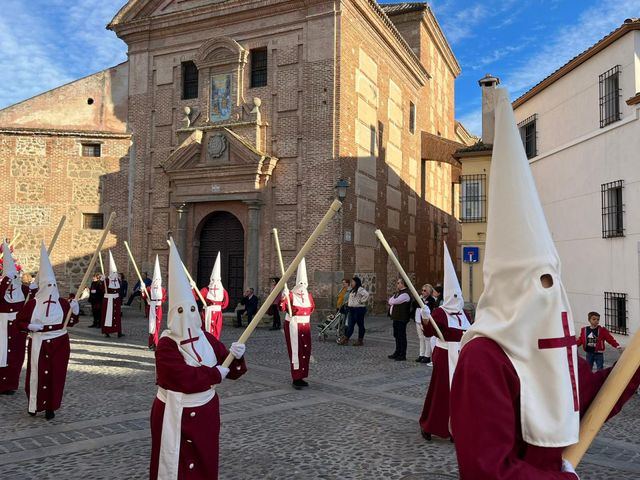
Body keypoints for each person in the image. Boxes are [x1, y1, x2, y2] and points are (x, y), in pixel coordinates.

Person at [450, 88, 640, 479]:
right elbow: (487, 470)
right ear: (511, 287)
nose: (551, 293)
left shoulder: (550, 344)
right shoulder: (482, 359)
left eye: (553, 280)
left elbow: (592, 398)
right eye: (541, 282)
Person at [149, 239, 247, 480]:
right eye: (182, 311)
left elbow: (229, 366)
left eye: (191, 310)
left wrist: (236, 357)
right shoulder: (166, 344)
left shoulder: (206, 338)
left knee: (204, 459)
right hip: (175, 410)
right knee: (176, 464)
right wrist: (215, 374)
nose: (188, 316)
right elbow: (180, 377)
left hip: (205, 412)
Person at [17, 242, 79, 420]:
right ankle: (34, 404)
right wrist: (29, 326)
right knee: (36, 372)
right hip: (39, 341)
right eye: (48, 285)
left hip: (60, 342)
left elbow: (70, 322)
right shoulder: (32, 304)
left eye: (54, 285)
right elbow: (19, 322)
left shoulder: (62, 303)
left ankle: (51, 406)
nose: (51, 289)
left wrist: (73, 311)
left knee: (56, 374)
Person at [419, 244, 470, 441]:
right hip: (444, 355)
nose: (457, 300)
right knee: (440, 392)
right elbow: (430, 331)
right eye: (454, 296)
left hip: (461, 356)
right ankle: (430, 425)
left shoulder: (464, 314)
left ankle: (455, 428)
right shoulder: (440, 313)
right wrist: (426, 318)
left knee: (460, 394)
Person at [0, 241, 31, 395]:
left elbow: (37, 299)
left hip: (17, 328)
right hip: (2, 326)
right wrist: (6, 281)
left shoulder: (24, 290)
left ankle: (11, 384)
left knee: (16, 356)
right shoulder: (1, 290)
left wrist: (36, 287)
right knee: (2, 355)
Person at [281, 258, 314, 389]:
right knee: (296, 351)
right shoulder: (291, 295)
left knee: (306, 350)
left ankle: (302, 375)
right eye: (300, 282)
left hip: (305, 326)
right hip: (294, 325)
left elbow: (311, 308)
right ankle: (296, 377)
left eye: (304, 282)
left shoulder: (309, 295)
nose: (302, 284)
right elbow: (283, 307)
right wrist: (284, 297)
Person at [199, 252, 228, 339]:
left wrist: (219, 307)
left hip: (217, 314)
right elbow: (197, 296)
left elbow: (225, 302)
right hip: (207, 312)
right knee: (206, 330)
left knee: (216, 330)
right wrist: (192, 288)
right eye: (213, 280)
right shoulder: (205, 290)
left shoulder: (223, 291)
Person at [142, 256, 167, 350]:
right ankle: (152, 343)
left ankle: (155, 343)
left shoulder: (163, 290)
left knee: (157, 325)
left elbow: (164, 299)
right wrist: (142, 289)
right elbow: (144, 296)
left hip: (158, 308)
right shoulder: (149, 288)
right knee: (151, 325)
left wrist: (158, 302)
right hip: (151, 308)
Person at [338, 277, 369, 346]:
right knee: (350, 325)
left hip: (359, 310)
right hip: (351, 309)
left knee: (360, 325)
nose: (351, 283)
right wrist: (348, 303)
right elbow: (352, 298)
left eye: (353, 282)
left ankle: (360, 340)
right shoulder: (353, 290)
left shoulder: (360, 289)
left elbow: (366, 294)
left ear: (356, 282)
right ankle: (346, 339)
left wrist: (361, 301)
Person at [387, 278, 411, 361]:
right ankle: (397, 352)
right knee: (396, 335)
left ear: (403, 284)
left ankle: (402, 354)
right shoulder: (398, 293)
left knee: (401, 336)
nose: (397, 285)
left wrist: (392, 300)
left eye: (398, 283)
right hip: (396, 318)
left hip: (402, 318)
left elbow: (394, 301)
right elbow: (390, 300)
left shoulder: (405, 294)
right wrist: (392, 300)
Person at [102, 251, 123, 338]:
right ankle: (107, 331)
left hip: (116, 300)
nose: (115, 274)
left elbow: (119, 290)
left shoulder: (118, 280)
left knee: (117, 316)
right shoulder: (107, 281)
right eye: (113, 273)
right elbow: (103, 290)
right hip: (109, 300)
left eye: (116, 273)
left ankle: (118, 331)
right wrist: (102, 282)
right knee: (108, 316)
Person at [414, 284, 434, 364]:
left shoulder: (431, 300)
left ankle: (427, 355)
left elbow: (426, 307)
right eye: (422, 290)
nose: (422, 292)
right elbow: (415, 304)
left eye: (425, 290)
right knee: (421, 338)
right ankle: (421, 354)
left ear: (429, 291)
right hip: (418, 320)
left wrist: (422, 301)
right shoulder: (420, 298)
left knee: (427, 338)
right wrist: (420, 299)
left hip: (425, 321)